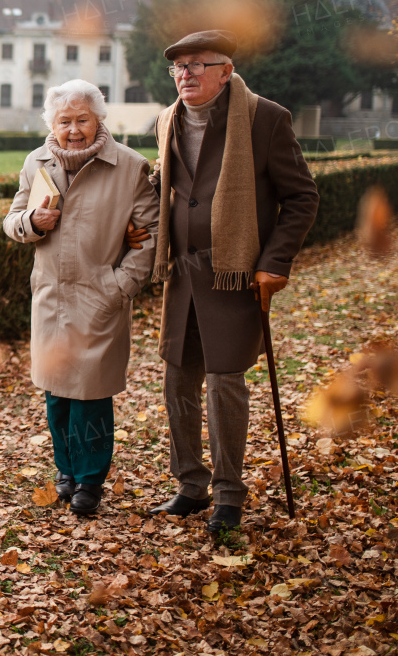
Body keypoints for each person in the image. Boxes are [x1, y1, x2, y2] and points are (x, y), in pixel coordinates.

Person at [147, 30, 319, 534]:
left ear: (226, 70)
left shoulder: (265, 117)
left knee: (225, 382)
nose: (186, 75)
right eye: (178, 67)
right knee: (177, 378)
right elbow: (171, 185)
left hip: (235, 274)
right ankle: (190, 487)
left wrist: (275, 261)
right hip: (183, 275)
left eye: (198, 65)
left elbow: (302, 197)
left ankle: (228, 495)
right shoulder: (166, 120)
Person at [4, 80, 159, 516]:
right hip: (50, 297)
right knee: (56, 393)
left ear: (99, 120)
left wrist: (121, 285)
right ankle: (66, 472)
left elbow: (150, 235)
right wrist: (32, 221)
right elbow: (12, 220)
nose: (73, 129)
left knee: (91, 394)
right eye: (64, 121)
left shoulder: (129, 166)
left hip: (100, 297)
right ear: (52, 124)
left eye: (82, 119)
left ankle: (90, 481)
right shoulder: (37, 162)